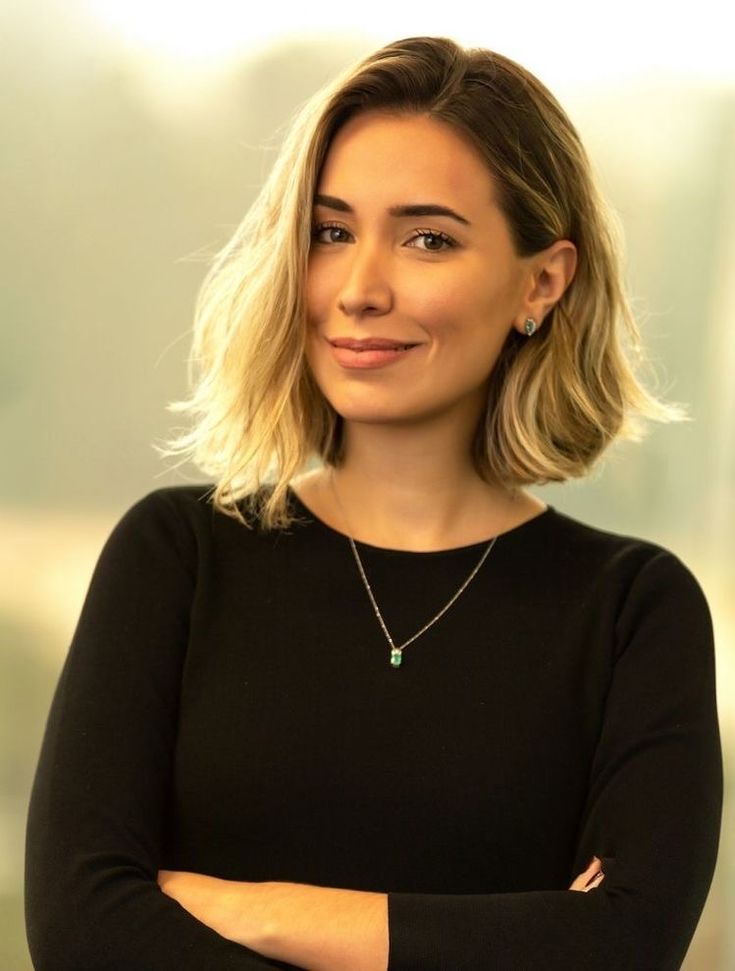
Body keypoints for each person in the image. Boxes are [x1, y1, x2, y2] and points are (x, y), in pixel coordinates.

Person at [25, 36, 722, 971]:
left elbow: (621, 943)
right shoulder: (177, 557)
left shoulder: (635, 610)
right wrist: (503, 934)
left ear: (541, 282)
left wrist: (264, 912)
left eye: (427, 238)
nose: (359, 289)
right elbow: (81, 925)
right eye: (330, 231)